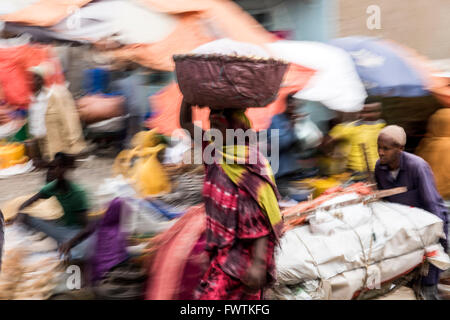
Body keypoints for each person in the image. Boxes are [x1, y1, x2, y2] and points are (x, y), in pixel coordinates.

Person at [180, 100, 283, 300]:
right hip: (220, 253)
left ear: (236, 129)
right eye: (212, 126)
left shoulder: (251, 166)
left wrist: (258, 265)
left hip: (243, 260)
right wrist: (187, 96)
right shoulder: (213, 154)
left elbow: (262, 220)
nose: (212, 132)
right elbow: (186, 124)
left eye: (219, 127)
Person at [375, 125, 448, 300]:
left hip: (429, 230)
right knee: (404, 281)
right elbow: (383, 205)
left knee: (427, 285)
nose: (380, 152)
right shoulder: (380, 168)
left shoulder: (417, 167)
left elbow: (433, 206)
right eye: (378, 147)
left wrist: (441, 240)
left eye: (386, 148)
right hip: (404, 234)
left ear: (400, 149)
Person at [15, 152, 95, 262]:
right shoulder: (52, 187)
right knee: (25, 216)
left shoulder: (78, 193)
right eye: (52, 167)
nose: (53, 171)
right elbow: (25, 205)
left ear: (65, 169)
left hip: (77, 235)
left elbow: (88, 227)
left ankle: (67, 248)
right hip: (63, 230)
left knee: (76, 257)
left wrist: (70, 243)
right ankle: (63, 246)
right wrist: (20, 217)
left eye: (58, 167)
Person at [28, 64, 87, 161]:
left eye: (34, 78)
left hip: (60, 152)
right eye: (29, 78)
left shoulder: (55, 96)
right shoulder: (34, 98)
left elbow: (69, 120)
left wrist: (73, 142)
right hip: (46, 152)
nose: (30, 81)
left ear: (41, 80)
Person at [267, 94, 320, 187]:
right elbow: (277, 144)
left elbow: (301, 145)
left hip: (293, 170)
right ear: (287, 104)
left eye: (297, 103)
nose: (294, 106)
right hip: (280, 172)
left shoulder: (297, 120)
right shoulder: (276, 120)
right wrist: (291, 127)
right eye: (292, 103)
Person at [324, 97, 386, 174]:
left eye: (375, 111)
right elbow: (327, 142)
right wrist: (335, 154)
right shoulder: (349, 127)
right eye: (366, 112)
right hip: (358, 173)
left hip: (382, 170)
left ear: (380, 111)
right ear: (360, 112)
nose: (371, 114)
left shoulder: (383, 126)